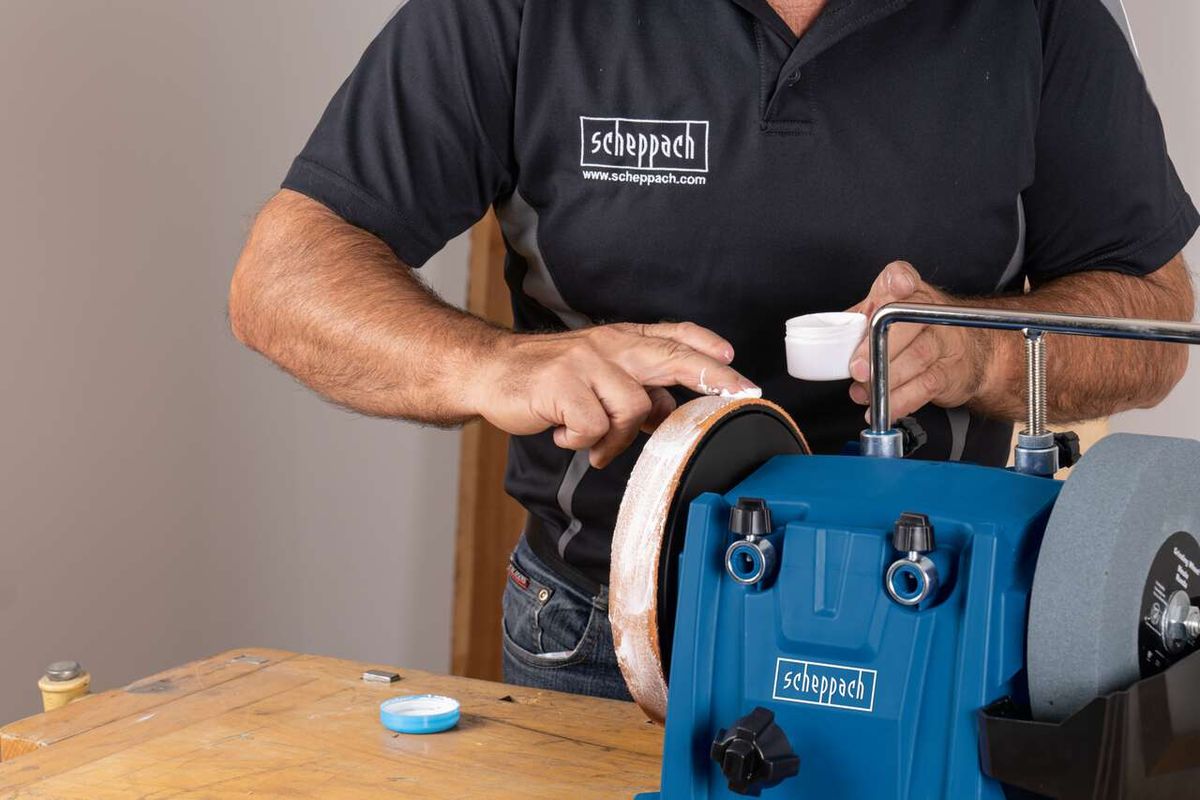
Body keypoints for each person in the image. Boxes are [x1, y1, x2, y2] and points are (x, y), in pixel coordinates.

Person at [229, 0, 1197, 701]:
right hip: (608, 633)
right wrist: (490, 364)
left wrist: (978, 351)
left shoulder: (1039, 16)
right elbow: (283, 280)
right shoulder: (513, 12)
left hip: (942, 614)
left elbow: (1154, 322)